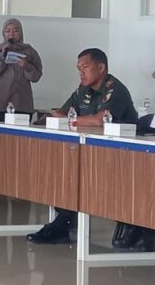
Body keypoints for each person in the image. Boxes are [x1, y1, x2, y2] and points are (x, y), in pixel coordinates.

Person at [27, 48, 138, 244]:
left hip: (124, 159)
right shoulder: (82, 91)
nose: (81, 72)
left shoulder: (115, 89)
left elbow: (99, 121)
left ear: (101, 68)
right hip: (92, 153)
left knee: (75, 173)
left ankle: (63, 224)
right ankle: (65, 222)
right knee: (61, 169)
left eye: (85, 67)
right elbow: (61, 114)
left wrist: (73, 120)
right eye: (78, 68)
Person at [0, 18, 43, 121]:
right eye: (8, 31)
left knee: (21, 131)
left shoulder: (29, 51)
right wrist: (2, 57)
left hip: (23, 104)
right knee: (0, 131)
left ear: (21, 33)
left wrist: (26, 66)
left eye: (15, 31)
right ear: (3, 33)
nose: (11, 34)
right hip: (1, 104)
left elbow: (36, 76)